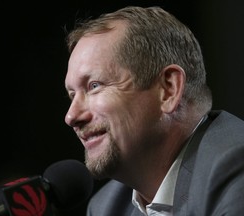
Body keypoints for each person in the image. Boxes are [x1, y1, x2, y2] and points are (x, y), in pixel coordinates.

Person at [63, 5, 244, 216]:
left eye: (94, 86)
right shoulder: (107, 207)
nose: (71, 116)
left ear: (168, 89)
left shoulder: (234, 170)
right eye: (72, 95)